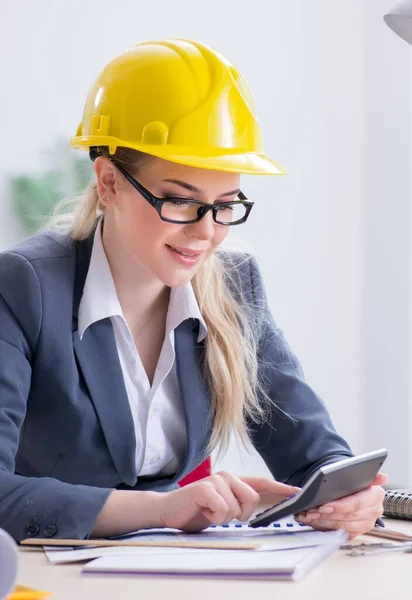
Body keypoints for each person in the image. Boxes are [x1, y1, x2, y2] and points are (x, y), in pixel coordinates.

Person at [0, 38, 385, 543]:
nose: (207, 232)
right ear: (109, 182)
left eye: (226, 204)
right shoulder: (25, 287)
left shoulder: (234, 286)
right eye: (180, 202)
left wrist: (348, 496)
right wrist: (161, 509)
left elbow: (315, 454)